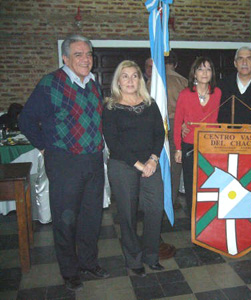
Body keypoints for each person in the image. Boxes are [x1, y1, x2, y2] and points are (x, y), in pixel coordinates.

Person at [18, 34, 109, 291]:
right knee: (66, 219)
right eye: (78, 54)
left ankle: (89, 263)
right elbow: (26, 120)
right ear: (65, 58)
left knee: (92, 218)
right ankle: (70, 271)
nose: (85, 59)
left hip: (92, 160)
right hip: (64, 162)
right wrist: (46, 147)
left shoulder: (94, 84)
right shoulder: (50, 83)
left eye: (88, 54)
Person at [102, 60, 165, 277]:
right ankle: (134, 259)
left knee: (155, 209)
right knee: (128, 215)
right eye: (125, 76)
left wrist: (153, 160)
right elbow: (113, 142)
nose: (130, 80)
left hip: (150, 164)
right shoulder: (110, 107)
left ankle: (151, 256)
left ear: (140, 79)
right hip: (123, 166)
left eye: (134, 76)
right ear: (118, 80)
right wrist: (139, 165)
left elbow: (159, 133)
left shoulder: (150, 104)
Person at [174, 57, 221, 213]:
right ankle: (193, 218)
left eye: (208, 69)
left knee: (209, 182)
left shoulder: (218, 93)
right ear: (194, 73)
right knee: (191, 183)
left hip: (210, 146)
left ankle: (207, 216)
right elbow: (177, 122)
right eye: (200, 69)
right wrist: (178, 148)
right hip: (189, 145)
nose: (205, 72)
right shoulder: (185, 94)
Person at [164, 51, 188, 207]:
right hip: (178, 124)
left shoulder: (154, 81)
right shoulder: (183, 82)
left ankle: (158, 200)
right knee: (175, 166)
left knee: (159, 163)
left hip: (159, 124)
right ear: (176, 64)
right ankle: (170, 201)